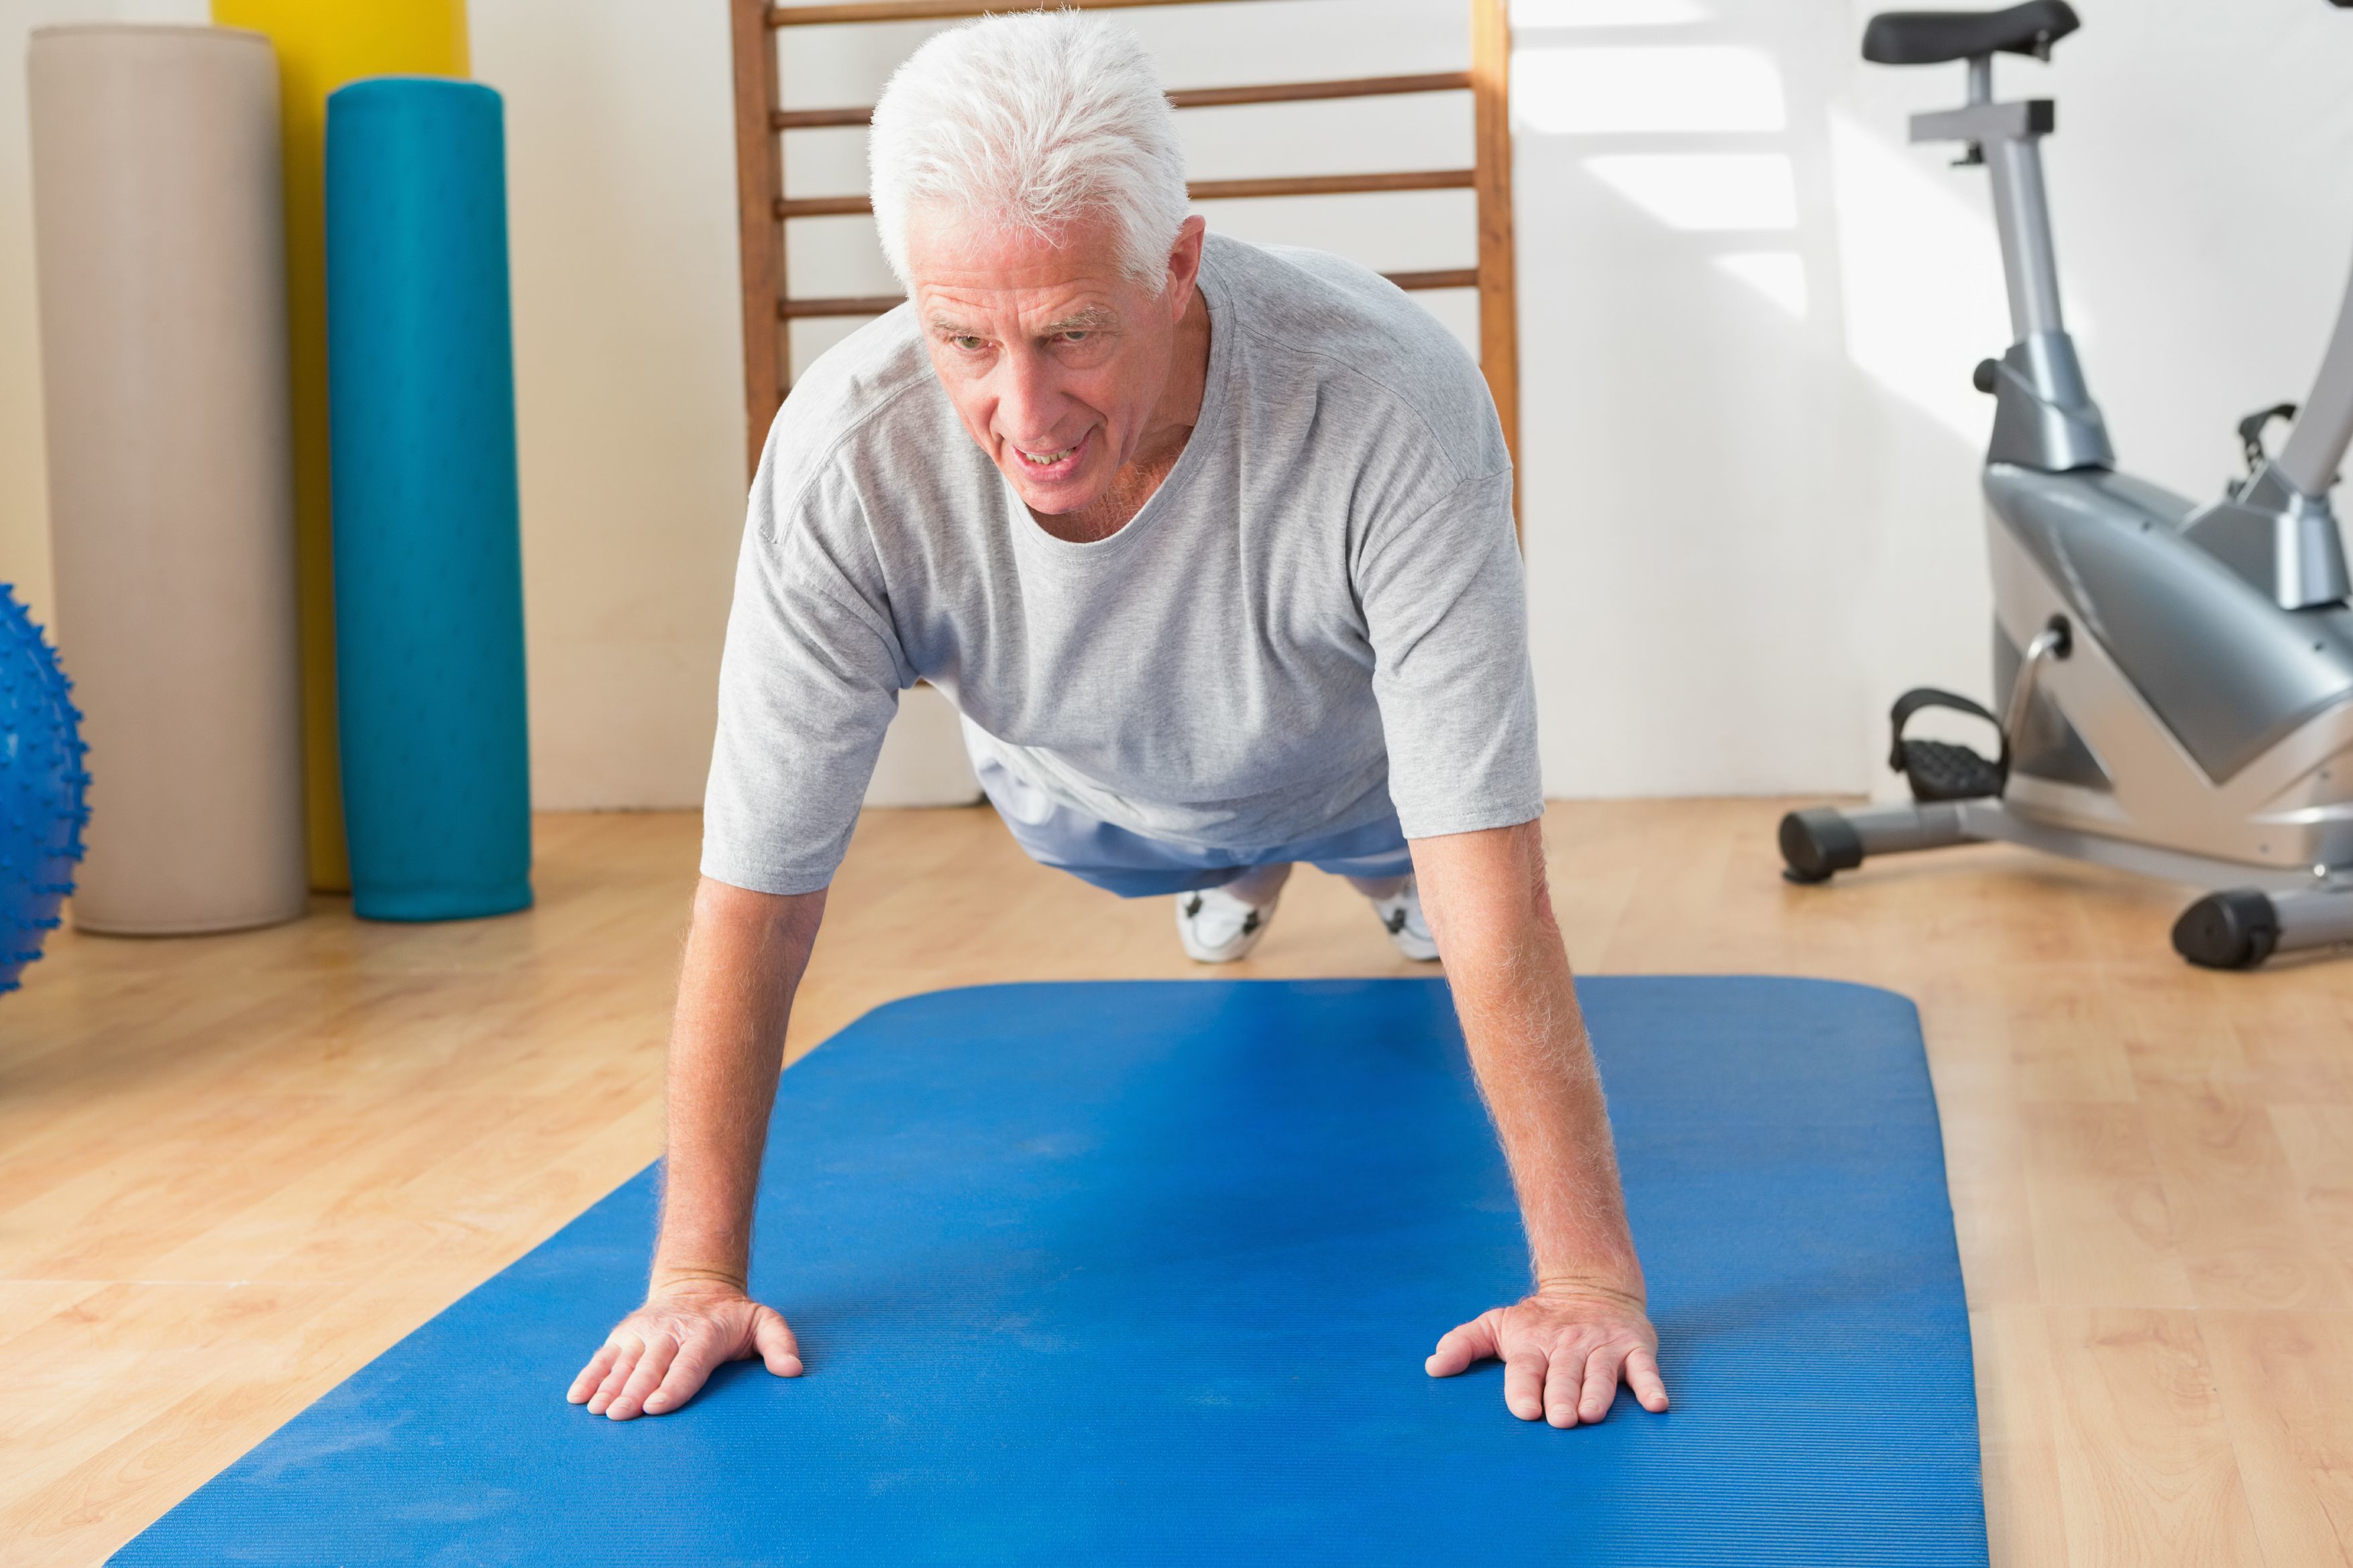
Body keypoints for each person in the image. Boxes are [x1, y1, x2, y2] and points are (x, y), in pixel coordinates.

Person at [568, 11, 1668, 1432]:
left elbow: (1498, 883)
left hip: (1356, 777)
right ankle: (1232, 863)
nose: (1021, 410)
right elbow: (755, 896)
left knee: (1428, 875)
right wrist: (694, 1268)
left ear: (1176, 267)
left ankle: (1337, 865)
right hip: (1077, 801)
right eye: (962, 338)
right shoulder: (846, 455)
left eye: (1072, 332)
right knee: (1155, 831)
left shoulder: (1385, 395)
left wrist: (1584, 1271)